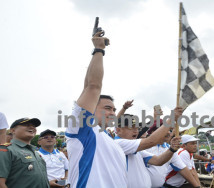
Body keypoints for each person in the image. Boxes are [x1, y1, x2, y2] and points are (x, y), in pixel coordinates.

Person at [65, 32, 128, 188]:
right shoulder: (83, 130)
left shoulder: (105, 136)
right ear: (92, 109)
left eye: (114, 109)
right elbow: (92, 87)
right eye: (107, 108)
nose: (113, 113)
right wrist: (99, 50)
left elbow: (88, 87)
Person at [114, 113, 184, 188]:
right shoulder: (118, 144)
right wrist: (171, 119)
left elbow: (158, 161)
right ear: (118, 130)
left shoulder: (136, 149)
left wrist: (172, 149)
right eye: (132, 127)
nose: (136, 131)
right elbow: (151, 141)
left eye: (137, 128)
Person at [145, 117, 201, 187]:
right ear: (154, 132)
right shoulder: (144, 147)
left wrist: (198, 186)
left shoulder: (169, 148)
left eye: (169, 130)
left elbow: (182, 168)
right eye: (166, 130)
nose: (169, 132)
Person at [0, 118, 50, 188]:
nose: (32, 127)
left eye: (34, 126)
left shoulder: (36, 153)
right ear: (13, 130)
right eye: (26, 125)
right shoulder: (6, 150)